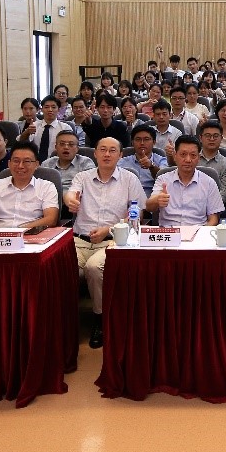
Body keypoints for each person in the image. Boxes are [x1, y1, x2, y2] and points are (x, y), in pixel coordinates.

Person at [65, 137, 147, 349]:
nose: (107, 154)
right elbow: (71, 194)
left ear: (121, 155)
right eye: (102, 149)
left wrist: (108, 230)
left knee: (94, 267)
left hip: (113, 240)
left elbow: (137, 215)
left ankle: (99, 320)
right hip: (79, 241)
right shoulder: (82, 177)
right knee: (62, 266)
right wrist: (70, 200)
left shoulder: (129, 179)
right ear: (95, 153)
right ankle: (63, 322)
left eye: (112, 150)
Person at [146, 136, 225, 226]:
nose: (188, 160)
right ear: (175, 156)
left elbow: (214, 219)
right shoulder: (163, 179)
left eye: (193, 155)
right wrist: (157, 200)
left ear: (199, 158)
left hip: (198, 230)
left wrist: (202, 233)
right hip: (169, 231)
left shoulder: (209, 182)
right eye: (183, 154)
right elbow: (149, 207)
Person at [0, 142, 60, 229]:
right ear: (9, 164)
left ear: (36, 165)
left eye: (27, 161)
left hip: (31, 233)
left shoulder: (47, 187)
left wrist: (19, 231)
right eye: (16, 161)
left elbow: (51, 219)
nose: (20, 166)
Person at [19, 95, 73, 161]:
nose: (50, 110)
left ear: (58, 109)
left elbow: (70, 149)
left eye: (53, 107)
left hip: (57, 162)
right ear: (42, 109)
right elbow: (20, 143)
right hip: (34, 162)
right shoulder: (34, 126)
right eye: (46, 107)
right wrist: (27, 132)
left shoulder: (65, 128)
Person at [119, 123, 167, 195]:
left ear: (154, 142)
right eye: (138, 139)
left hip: (153, 196)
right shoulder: (122, 162)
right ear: (132, 142)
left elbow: (165, 179)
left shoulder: (161, 160)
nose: (142, 143)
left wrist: (151, 166)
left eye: (146, 139)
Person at [197, 120, 226, 204]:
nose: (212, 139)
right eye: (207, 135)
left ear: (221, 138)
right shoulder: (191, 160)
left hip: (215, 206)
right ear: (200, 138)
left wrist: (203, 207)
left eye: (215, 136)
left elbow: (224, 194)